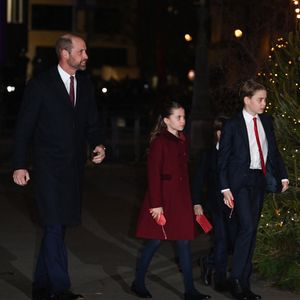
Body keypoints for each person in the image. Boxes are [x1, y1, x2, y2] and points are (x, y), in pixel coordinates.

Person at [12, 33, 105, 300]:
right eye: (82, 51)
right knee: (53, 225)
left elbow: (92, 123)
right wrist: (19, 165)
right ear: (65, 54)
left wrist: (99, 145)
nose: (86, 56)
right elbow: (24, 129)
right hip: (47, 170)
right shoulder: (41, 85)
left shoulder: (85, 84)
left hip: (74, 170)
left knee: (59, 227)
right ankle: (60, 288)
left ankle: (41, 287)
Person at [131, 101, 210, 300]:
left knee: (184, 242)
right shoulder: (159, 142)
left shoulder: (183, 139)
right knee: (154, 242)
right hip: (163, 200)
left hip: (181, 199)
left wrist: (193, 201)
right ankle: (138, 282)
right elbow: (153, 174)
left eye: (184, 117)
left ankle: (190, 290)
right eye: (179, 117)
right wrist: (156, 205)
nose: (183, 121)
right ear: (167, 120)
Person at [218, 79, 289, 300]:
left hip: (258, 180)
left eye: (265, 99)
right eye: (260, 99)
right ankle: (236, 279)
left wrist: (283, 175)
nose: (264, 103)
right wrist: (224, 187)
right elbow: (223, 159)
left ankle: (244, 282)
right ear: (247, 100)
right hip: (239, 183)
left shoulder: (266, 121)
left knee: (252, 231)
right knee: (247, 228)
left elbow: (274, 151)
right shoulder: (232, 124)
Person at [192, 116, 237, 292]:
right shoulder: (208, 154)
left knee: (232, 242)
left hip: (234, 207)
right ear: (218, 133)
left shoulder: (236, 154)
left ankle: (207, 262)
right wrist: (197, 203)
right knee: (221, 241)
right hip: (215, 206)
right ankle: (220, 280)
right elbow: (198, 180)